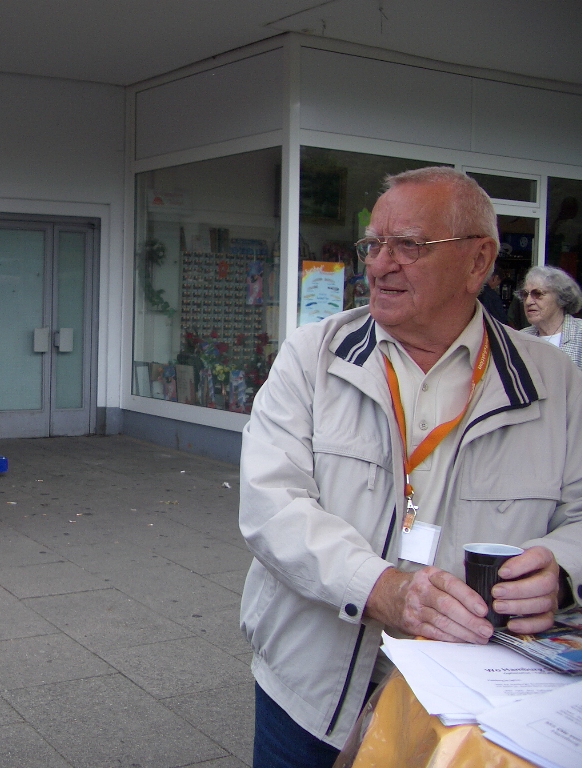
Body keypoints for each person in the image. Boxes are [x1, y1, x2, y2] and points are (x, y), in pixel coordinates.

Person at [239, 167, 581, 768]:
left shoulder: (554, 381)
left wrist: (562, 572)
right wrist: (379, 589)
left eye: (408, 245)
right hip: (310, 693)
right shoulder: (312, 356)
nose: (379, 264)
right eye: (373, 244)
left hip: (469, 709)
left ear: (478, 262)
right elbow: (272, 505)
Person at [518, 264, 582, 370]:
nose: (528, 302)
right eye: (525, 295)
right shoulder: (520, 338)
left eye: (538, 294)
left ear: (561, 298)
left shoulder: (579, 333)